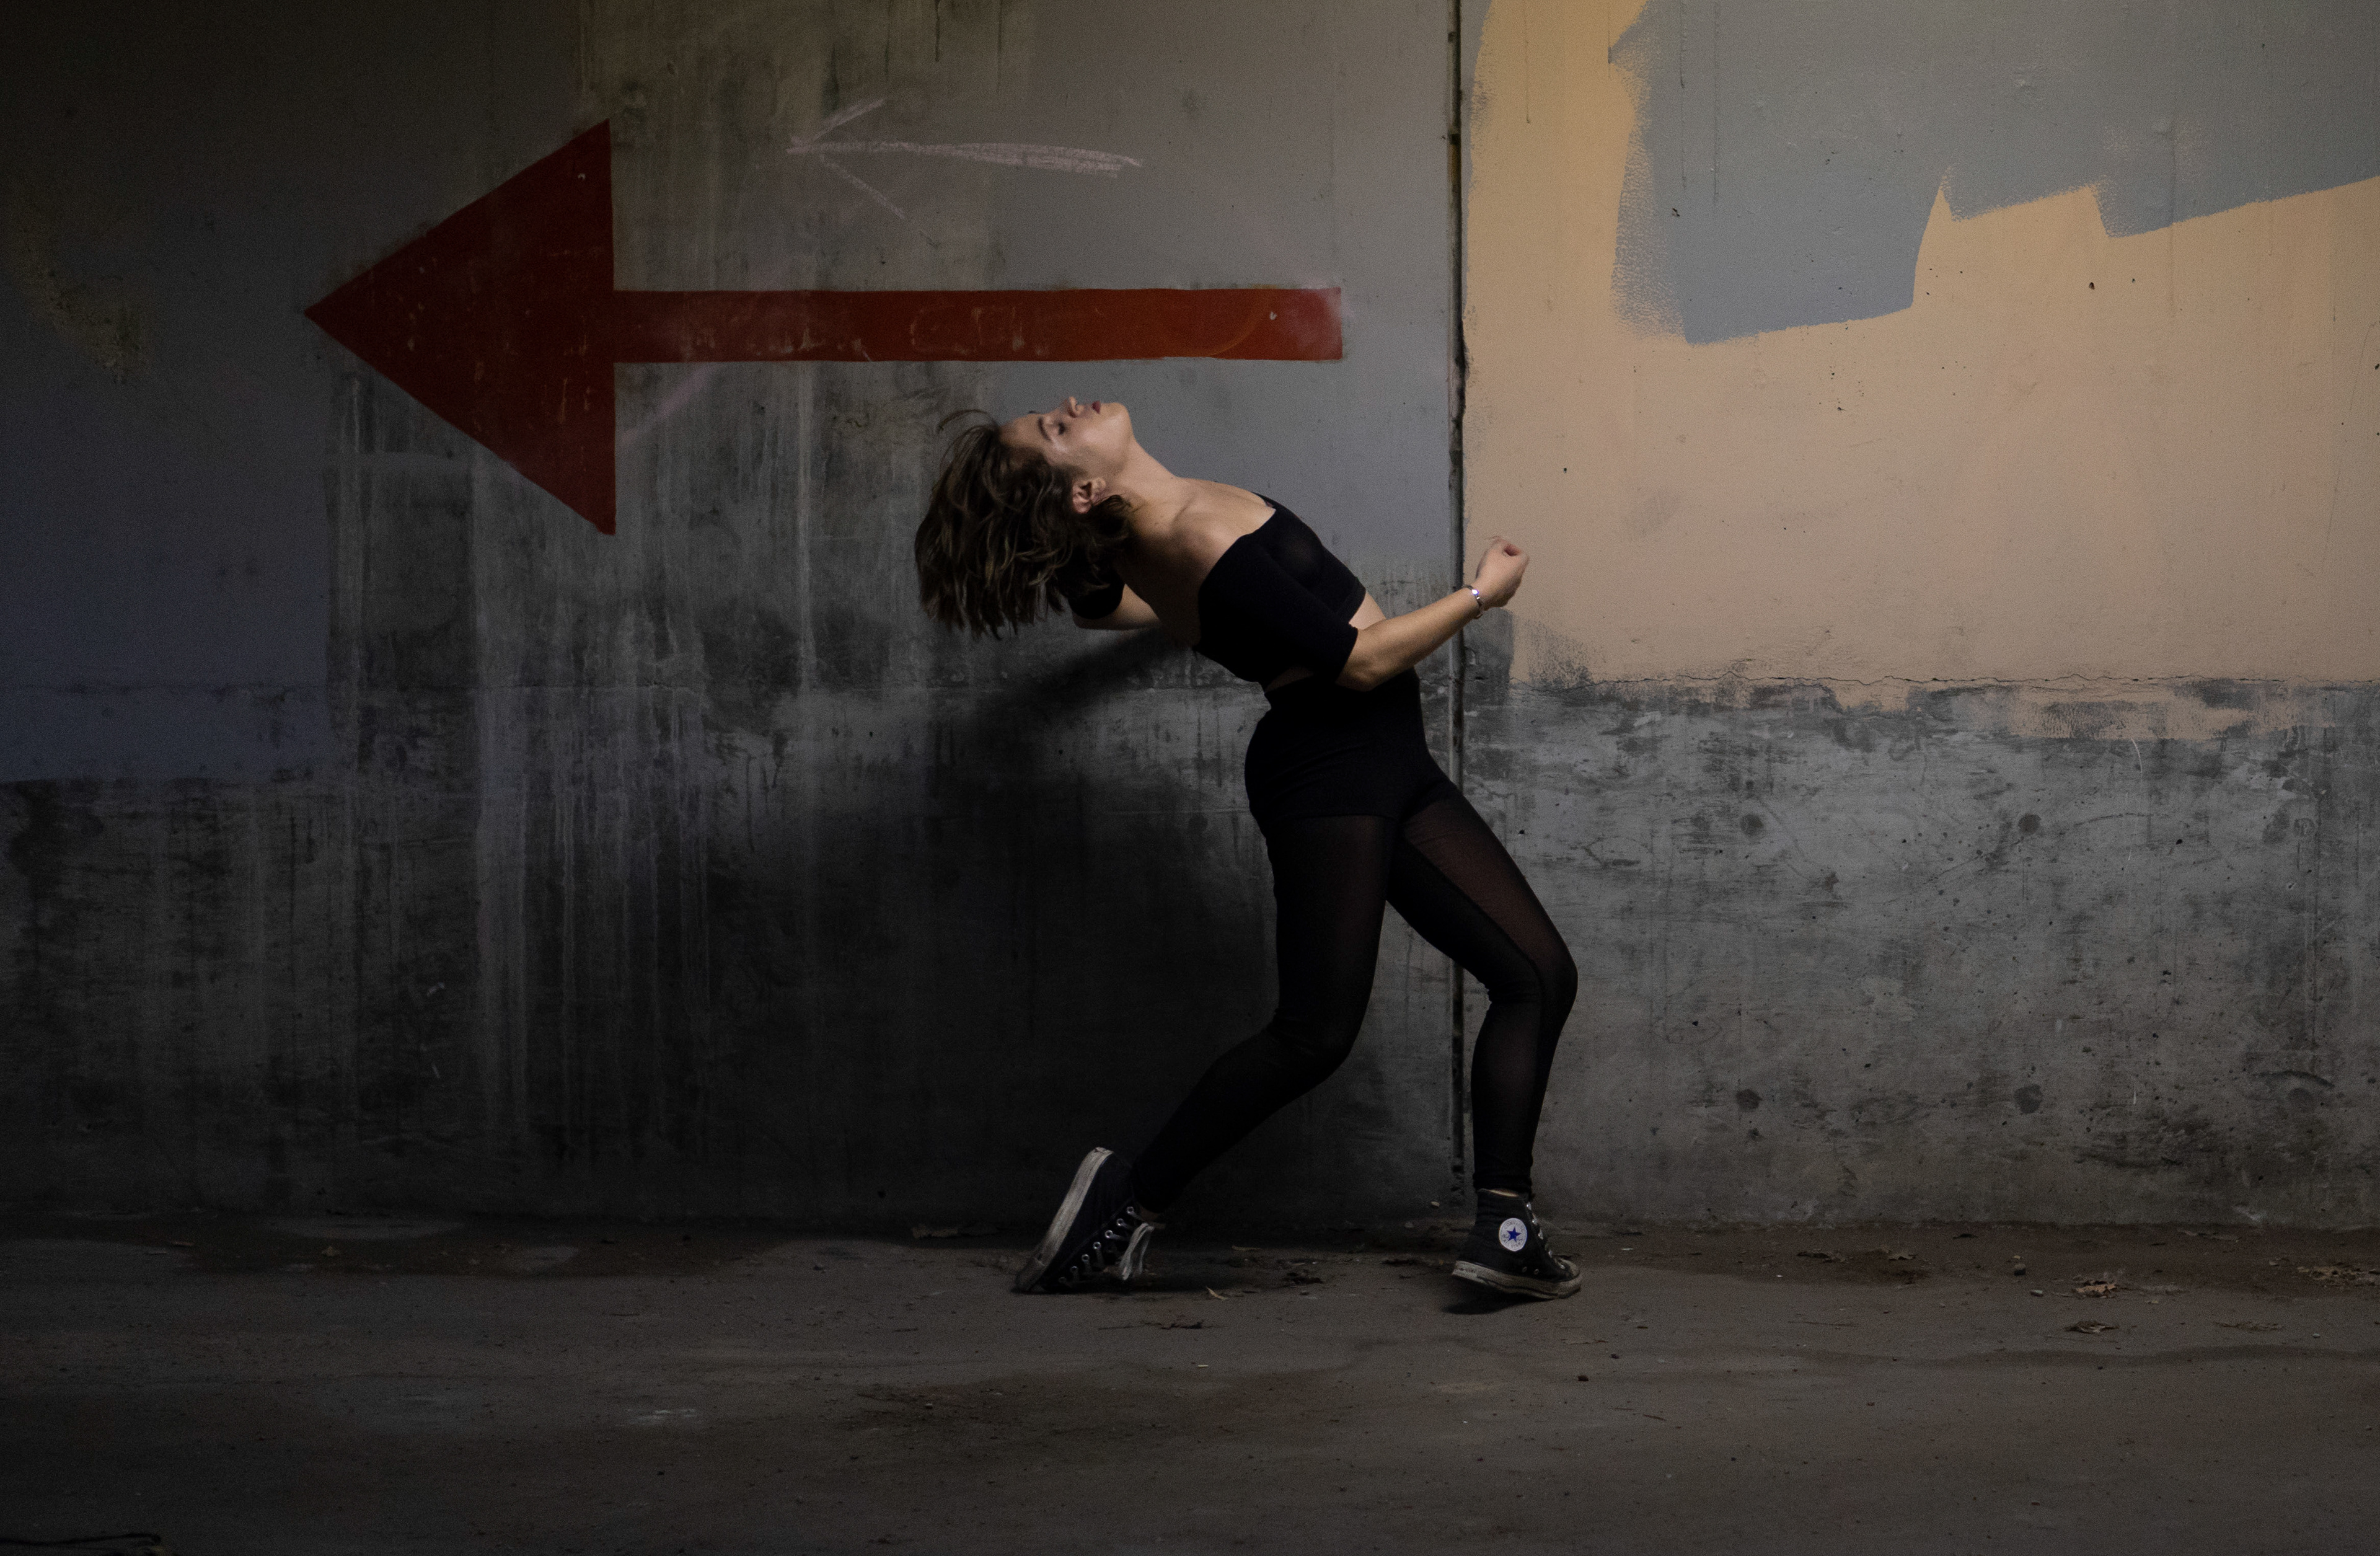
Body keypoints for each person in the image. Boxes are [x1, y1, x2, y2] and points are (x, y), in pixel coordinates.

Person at [914, 397, 1580, 1300]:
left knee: (1536, 973)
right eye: (1057, 433)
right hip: (1334, 769)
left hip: (1383, 759)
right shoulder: (1188, 533)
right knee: (1313, 1035)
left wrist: (1213, 617)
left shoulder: (1144, 530)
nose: (1067, 408)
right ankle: (1128, 1199)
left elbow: (1105, 607)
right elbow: (1362, 663)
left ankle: (1506, 1230)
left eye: (1052, 416)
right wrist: (1480, 596)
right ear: (1083, 492)